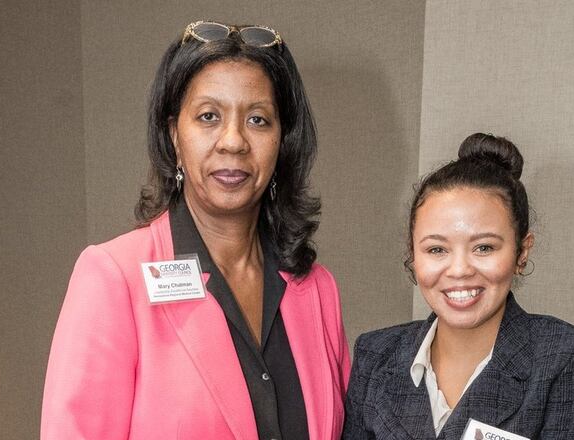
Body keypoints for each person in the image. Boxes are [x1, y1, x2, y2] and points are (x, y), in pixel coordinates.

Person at [42, 20, 350, 439]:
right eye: (209, 116)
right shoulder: (114, 277)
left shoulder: (315, 289)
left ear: (283, 142)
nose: (233, 141)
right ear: (174, 136)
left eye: (258, 120)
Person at [342, 133, 574, 439]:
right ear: (412, 254)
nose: (459, 270)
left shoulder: (566, 357)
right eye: (436, 250)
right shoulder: (376, 355)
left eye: (484, 248)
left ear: (521, 252)